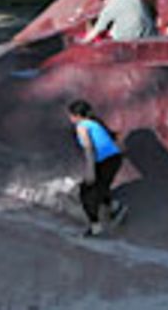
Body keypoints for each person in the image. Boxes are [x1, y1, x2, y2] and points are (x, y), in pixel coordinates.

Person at [68, 99, 129, 236]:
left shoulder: (82, 126)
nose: (70, 118)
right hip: (114, 159)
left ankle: (96, 227)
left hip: (106, 161)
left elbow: (89, 149)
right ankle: (115, 208)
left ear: (77, 115)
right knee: (100, 188)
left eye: (71, 115)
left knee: (86, 192)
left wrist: (90, 172)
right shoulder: (95, 122)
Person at [84, 0, 155, 42]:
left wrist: (83, 42)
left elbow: (97, 29)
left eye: (104, 3)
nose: (104, 5)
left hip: (126, 40)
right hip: (148, 36)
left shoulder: (111, 6)